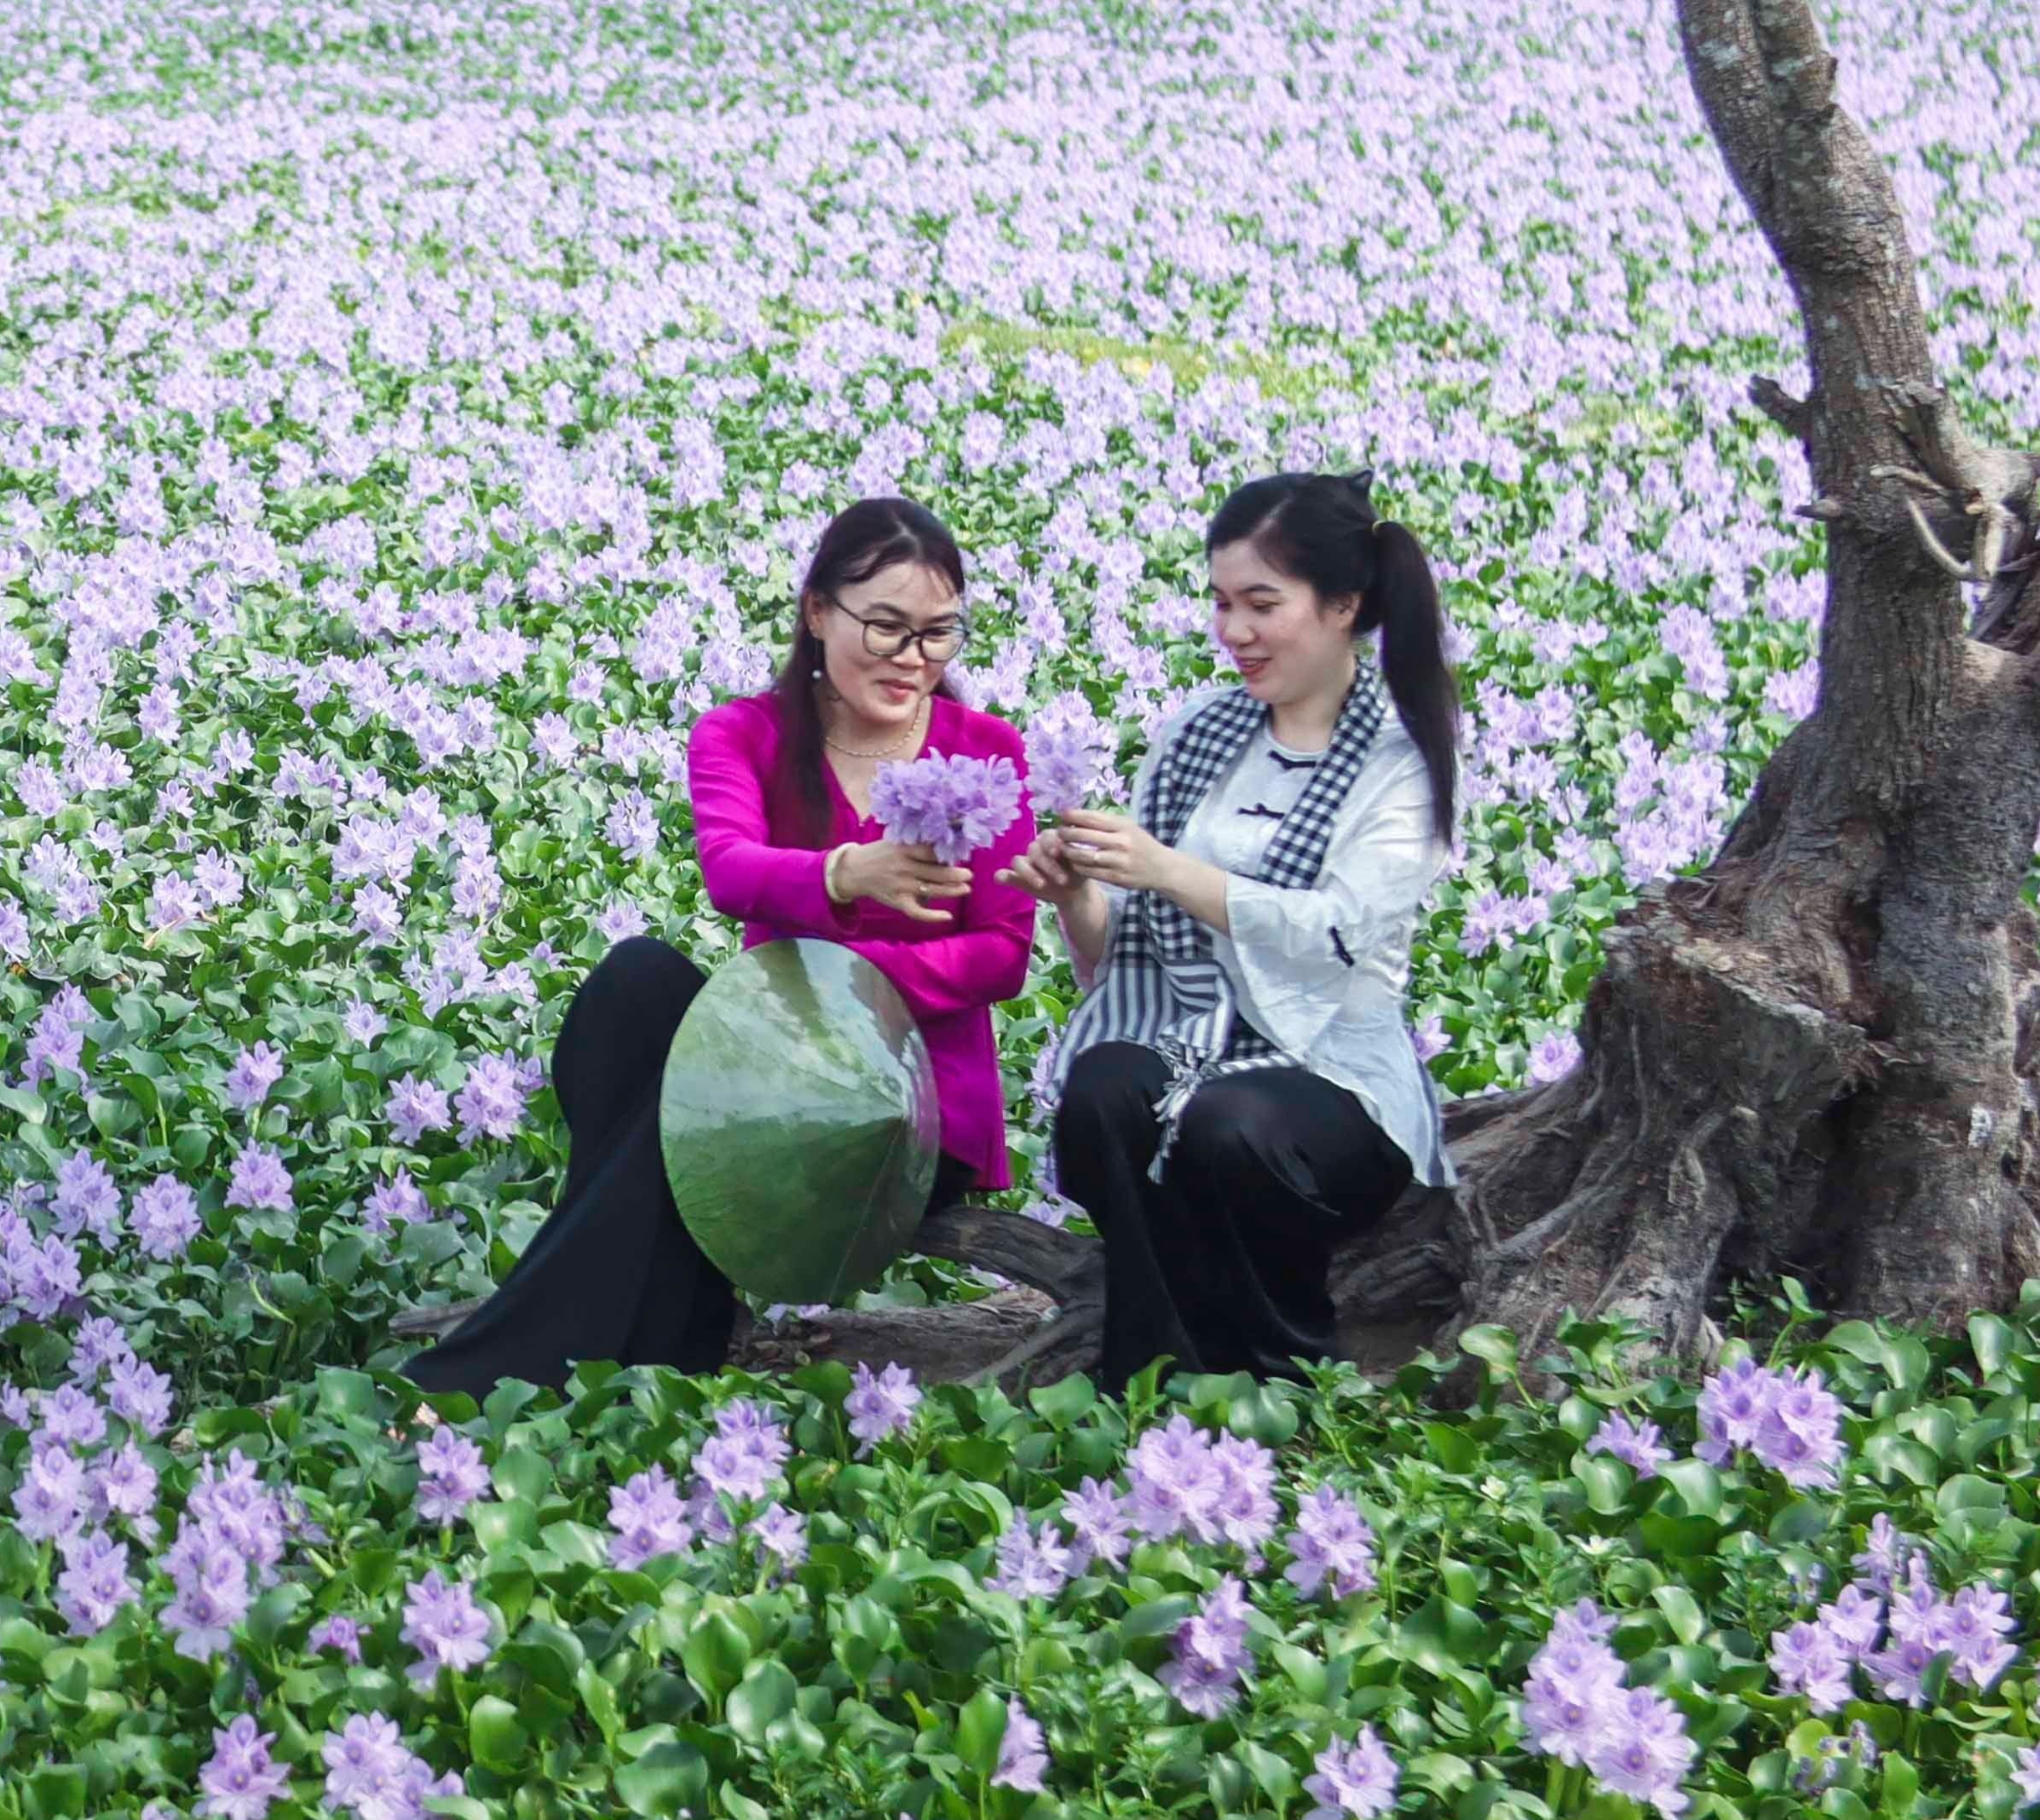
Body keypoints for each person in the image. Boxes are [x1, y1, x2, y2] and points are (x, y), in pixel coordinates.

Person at [412, 496, 1038, 1393]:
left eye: (938, 634)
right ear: (818, 611)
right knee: (638, 985)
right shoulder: (742, 733)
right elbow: (731, 869)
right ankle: (672, 1325)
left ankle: (494, 1370)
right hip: (770, 1061)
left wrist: (850, 979)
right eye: (887, 627)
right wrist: (843, 876)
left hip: (903, 1103)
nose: (912, 660)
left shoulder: (985, 751)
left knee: (671, 1106)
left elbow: (1003, 957)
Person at [1022, 470, 1465, 1387]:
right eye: (1222, 603)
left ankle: (1282, 1372)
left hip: (1336, 1079)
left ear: (1344, 605)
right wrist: (1073, 893)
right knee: (1106, 1088)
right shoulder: (1196, 734)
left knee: (1226, 1122)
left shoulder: (1400, 757)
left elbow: (1335, 934)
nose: (1234, 631)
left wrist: (1168, 868)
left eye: (1262, 603)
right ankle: (1145, 1370)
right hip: (1194, 1043)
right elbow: (1127, 965)